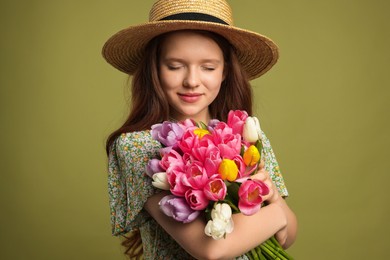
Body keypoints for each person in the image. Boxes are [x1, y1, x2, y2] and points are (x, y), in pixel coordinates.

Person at [103, 0, 298, 259]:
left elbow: (286, 237)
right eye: (174, 66)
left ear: (225, 71)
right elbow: (211, 250)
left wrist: (274, 196)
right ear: (155, 69)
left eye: (208, 67)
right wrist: (274, 212)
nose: (192, 81)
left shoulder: (248, 136)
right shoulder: (139, 147)